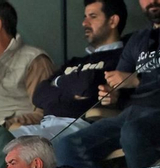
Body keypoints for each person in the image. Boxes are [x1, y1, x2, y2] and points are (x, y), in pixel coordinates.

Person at [53, 0, 160, 168]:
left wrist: (137, 81)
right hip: (132, 116)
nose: (151, 1)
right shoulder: (139, 38)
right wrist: (114, 95)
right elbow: (122, 81)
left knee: (132, 131)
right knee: (67, 145)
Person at [16, 0, 128, 139]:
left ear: (113, 21)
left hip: (80, 126)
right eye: (84, 17)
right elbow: (39, 95)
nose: (84, 23)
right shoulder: (75, 62)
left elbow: (88, 84)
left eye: (92, 17)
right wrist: (70, 89)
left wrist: (56, 83)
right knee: (2, 142)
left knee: (20, 149)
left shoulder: (121, 56)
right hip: (45, 125)